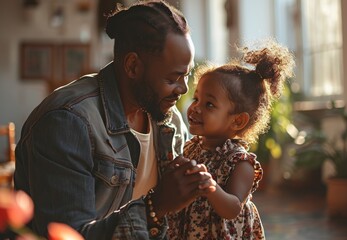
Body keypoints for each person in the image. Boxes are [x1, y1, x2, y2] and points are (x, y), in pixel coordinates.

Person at [13, 1, 214, 239]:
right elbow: (69, 235)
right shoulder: (68, 121)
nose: (183, 89)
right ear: (132, 66)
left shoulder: (167, 120)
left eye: (187, 74)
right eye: (173, 78)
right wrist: (155, 207)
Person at [166, 39, 295, 239]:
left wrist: (210, 187)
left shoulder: (240, 162)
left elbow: (233, 208)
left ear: (238, 121)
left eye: (209, 104)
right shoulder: (193, 148)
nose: (196, 108)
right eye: (196, 99)